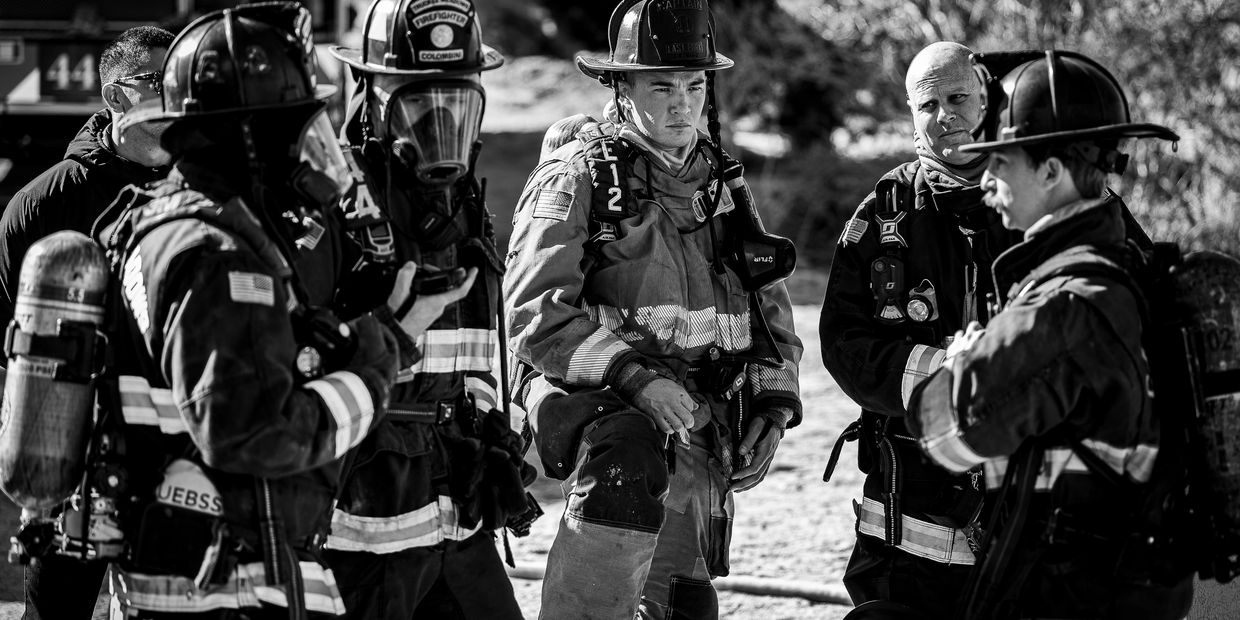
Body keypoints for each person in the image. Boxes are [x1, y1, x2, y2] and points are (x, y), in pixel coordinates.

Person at [76, 4, 458, 618]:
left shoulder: (156, 223)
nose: (313, 150)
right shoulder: (223, 261)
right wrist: (373, 367)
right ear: (251, 134)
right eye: (299, 128)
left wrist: (390, 330)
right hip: (231, 587)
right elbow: (258, 436)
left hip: (189, 571)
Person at [505, 1, 803, 617]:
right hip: (602, 410)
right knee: (623, 480)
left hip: (693, 417)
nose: (681, 104)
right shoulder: (578, 178)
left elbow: (768, 313)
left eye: (694, 86)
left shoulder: (718, 182)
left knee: (683, 605)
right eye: (661, 86)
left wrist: (773, 405)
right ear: (621, 87)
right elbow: (532, 312)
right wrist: (633, 378)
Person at [905, 50, 1195, 620]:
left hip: (1073, 596)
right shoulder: (1129, 271)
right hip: (1122, 590)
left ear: (1051, 171)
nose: (985, 180)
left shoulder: (1064, 306)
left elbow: (942, 431)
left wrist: (960, 363)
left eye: (1001, 162)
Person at [320, 1, 531, 617]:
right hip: (368, 517)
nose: (438, 118)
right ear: (368, 93)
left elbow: (477, 340)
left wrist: (493, 425)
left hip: (458, 502)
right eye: (415, 96)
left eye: (456, 96)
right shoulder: (330, 201)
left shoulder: (465, 198)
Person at [818, 41, 1020, 619]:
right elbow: (844, 343)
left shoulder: (1045, 192)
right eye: (927, 105)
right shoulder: (885, 212)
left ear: (990, 99)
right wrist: (942, 378)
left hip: (1034, 492)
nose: (945, 116)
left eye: (959, 98)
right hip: (915, 502)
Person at [0, 25, 174, 620]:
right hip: (72, 462)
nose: (172, 99)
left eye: (177, 80)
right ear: (115, 98)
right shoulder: (43, 207)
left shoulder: (206, 195)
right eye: (155, 83)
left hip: (177, 464)